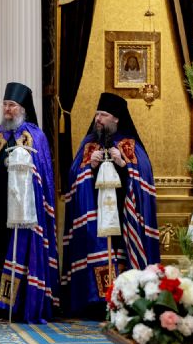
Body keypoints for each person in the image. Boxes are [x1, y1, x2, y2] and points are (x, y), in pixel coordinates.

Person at [61, 92, 159, 317]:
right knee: (94, 253)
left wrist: (123, 164)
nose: (98, 119)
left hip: (123, 218)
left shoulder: (130, 145)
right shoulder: (89, 145)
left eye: (103, 115)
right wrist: (90, 167)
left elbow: (142, 176)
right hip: (94, 216)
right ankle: (94, 302)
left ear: (116, 118)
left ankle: (124, 301)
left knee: (121, 255)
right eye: (97, 114)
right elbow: (73, 177)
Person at [0, 82, 59, 324]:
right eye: (5, 105)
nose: (7, 109)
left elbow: (41, 181)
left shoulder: (35, 137)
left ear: (23, 108)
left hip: (22, 213)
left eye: (12, 105)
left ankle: (17, 305)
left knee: (19, 254)